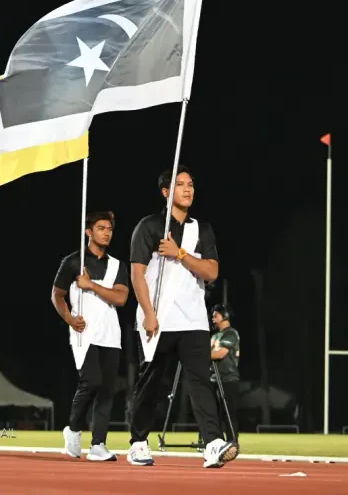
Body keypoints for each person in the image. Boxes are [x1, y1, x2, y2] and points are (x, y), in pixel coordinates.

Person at [126, 166, 237, 468]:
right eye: (180, 184)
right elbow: (137, 275)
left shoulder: (202, 229)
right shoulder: (149, 227)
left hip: (193, 319)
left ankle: (212, 443)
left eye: (191, 184)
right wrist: (148, 313)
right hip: (158, 318)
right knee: (151, 383)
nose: (188, 189)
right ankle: (138, 442)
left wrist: (181, 254)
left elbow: (212, 271)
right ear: (166, 192)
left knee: (200, 380)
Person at [51, 211, 129, 462]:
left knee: (107, 389)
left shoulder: (117, 265)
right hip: (84, 332)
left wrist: (91, 285)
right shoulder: (73, 262)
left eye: (110, 229)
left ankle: (98, 444)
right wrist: (69, 319)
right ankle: (73, 429)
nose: (106, 233)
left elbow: (121, 298)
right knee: (91, 381)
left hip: (110, 334)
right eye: (101, 228)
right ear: (89, 232)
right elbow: (57, 295)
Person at [210, 304, 240, 444]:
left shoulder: (231, 333)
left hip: (228, 378)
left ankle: (232, 442)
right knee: (214, 413)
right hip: (214, 378)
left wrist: (200, 354)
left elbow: (221, 353)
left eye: (216, 315)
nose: (213, 319)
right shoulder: (215, 335)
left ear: (225, 316)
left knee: (228, 413)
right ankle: (217, 442)